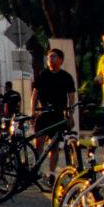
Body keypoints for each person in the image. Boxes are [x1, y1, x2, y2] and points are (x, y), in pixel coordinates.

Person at [31, 48, 77, 179]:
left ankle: (51, 173)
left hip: (58, 115)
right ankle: (36, 169)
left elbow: (71, 96)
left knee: (54, 145)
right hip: (43, 114)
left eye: (54, 56)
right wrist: (33, 111)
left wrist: (70, 113)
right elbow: (35, 94)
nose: (50, 59)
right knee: (38, 142)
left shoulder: (66, 77)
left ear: (61, 60)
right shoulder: (42, 75)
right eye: (49, 57)